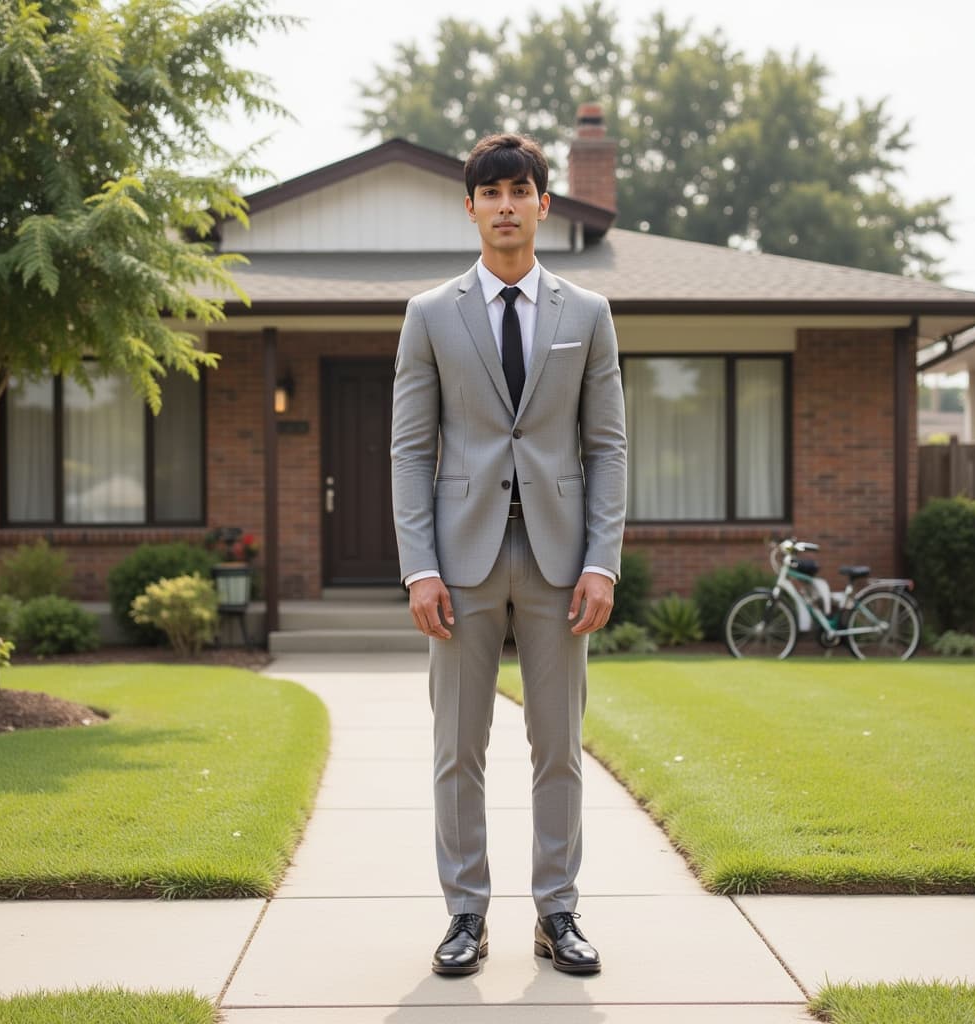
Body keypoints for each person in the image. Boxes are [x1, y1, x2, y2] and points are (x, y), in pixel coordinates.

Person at [390, 132, 627, 977]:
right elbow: (411, 450)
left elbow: (607, 447)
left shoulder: (587, 314)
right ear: (470, 208)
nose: (504, 206)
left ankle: (557, 912)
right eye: (489, 193)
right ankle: (465, 914)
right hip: (461, 565)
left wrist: (603, 560)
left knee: (558, 747)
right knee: (458, 748)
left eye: (518, 190)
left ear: (542, 204)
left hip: (562, 562)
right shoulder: (429, 315)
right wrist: (420, 567)